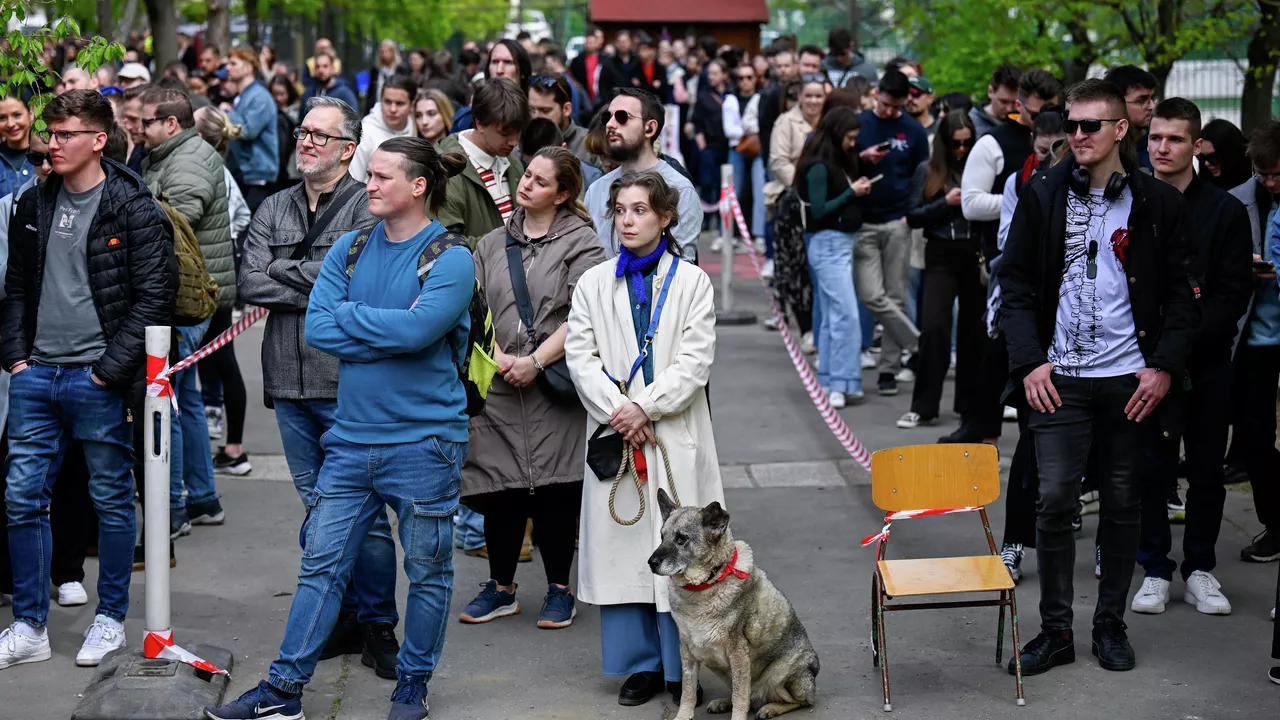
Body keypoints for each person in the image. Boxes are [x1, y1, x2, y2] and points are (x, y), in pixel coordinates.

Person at [206, 137, 472, 720]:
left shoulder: (451, 257)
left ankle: (412, 686)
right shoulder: (349, 249)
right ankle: (282, 692)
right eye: (368, 174)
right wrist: (387, 327)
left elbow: (417, 331)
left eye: (381, 176)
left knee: (428, 572)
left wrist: (362, 322)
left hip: (425, 443)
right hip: (350, 442)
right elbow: (320, 331)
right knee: (320, 566)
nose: (368, 184)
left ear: (419, 186)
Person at [999, 78, 1198, 677]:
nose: (1077, 135)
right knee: (1055, 499)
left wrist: (1162, 367)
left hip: (1127, 382)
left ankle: (1109, 624)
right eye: (1071, 124)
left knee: (1122, 500)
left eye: (1090, 126)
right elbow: (1014, 288)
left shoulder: (1158, 203)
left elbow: (1185, 299)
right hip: (1058, 379)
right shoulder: (1042, 194)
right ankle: (1056, 630)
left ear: (1120, 130)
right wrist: (1030, 360)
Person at [0, 89, 176, 671]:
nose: (51, 142)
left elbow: (155, 297)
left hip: (96, 378)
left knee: (110, 499)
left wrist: (108, 372)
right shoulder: (34, 202)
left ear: (98, 140)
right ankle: (29, 625)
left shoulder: (133, 206)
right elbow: (18, 287)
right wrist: (17, 358)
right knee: (22, 498)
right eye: (49, 132)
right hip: (36, 374)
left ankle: (110, 618)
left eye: (64, 133)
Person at [237, 95, 401, 679]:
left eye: (320, 136)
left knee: (369, 515)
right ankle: (346, 616)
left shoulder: (366, 209)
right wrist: (311, 281)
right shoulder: (273, 207)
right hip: (287, 382)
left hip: (347, 384)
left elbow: (358, 283)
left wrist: (289, 275)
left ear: (348, 150)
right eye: (303, 132)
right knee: (318, 509)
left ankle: (380, 624)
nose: (305, 142)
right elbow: (249, 281)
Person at [564, 170, 722, 708]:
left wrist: (645, 406)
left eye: (639, 210)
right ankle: (640, 666)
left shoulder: (692, 282)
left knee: (682, 544)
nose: (628, 220)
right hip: (620, 431)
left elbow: (695, 360)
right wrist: (620, 412)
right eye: (621, 210)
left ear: (665, 217)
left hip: (672, 429)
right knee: (623, 545)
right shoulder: (592, 282)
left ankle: (686, 666)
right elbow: (580, 359)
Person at [459, 147, 607, 628]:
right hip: (500, 382)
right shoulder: (491, 242)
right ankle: (501, 588)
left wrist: (536, 361)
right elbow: (473, 304)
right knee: (500, 488)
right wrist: (499, 357)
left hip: (555, 383)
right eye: (528, 177)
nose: (527, 185)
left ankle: (560, 591)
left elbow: (586, 313)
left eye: (541, 182)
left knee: (556, 490)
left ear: (563, 194)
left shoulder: (582, 242)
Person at [1129, 98, 1252, 616]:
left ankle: (1201, 567)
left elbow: (1231, 294)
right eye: (1155, 137)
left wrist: (1176, 353)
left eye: (1175, 139)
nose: (1162, 147)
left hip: (1206, 362)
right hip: (1140, 362)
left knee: (1205, 469)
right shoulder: (1130, 201)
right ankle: (1154, 568)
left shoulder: (1223, 209)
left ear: (1197, 145)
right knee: (1149, 469)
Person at [138, 87, 234, 532]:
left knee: (167, 402)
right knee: (187, 399)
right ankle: (203, 498)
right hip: (193, 299)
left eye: (145, 122)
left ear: (170, 124)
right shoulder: (173, 155)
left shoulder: (188, 160)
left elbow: (176, 224)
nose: (138, 130)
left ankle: (173, 507)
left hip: (186, 301)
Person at [956, 69, 1061, 445]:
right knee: (999, 355)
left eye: (1051, 110)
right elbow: (972, 204)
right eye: (1033, 114)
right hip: (1012, 273)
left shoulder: (1077, 152)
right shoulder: (997, 149)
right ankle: (984, 431)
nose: (1043, 119)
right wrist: (1025, 207)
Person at [898, 112, 980, 429]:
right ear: (945, 143)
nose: (961, 148)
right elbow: (913, 215)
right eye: (955, 143)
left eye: (966, 142)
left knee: (974, 331)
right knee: (934, 327)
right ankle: (924, 405)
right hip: (940, 251)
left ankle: (970, 405)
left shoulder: (979, 168)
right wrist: (945, 203)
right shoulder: (928, 169)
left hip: (973, 252)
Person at [853, 68, 926, 397]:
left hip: (897, 222)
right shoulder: (860, 125)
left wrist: (910, 215)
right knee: (871, 296)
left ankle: (889, 369)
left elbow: (921, 175)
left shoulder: (912, 131)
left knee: (896, 296)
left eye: (895, 107)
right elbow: (840, 165)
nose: (889, 111)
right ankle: (918, 344)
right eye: (884, 104)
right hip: (863, 221)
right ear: (875, 94)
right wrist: (861, 159)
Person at [795, 107, 872, 407]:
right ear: (838, 134)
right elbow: (819, 212)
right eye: (850, 138)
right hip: (828, 243)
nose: (853, 144)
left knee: (832, 315)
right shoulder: (818, 166)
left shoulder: (833, 161)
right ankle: (839, 381)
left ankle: (830, 380)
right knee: (845, 314)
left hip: (837, 244)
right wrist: (851, 193)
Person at [1231, 119, 1280, 567]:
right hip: (1255, 339)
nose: (1270, 182)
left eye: (1277, 174)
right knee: (1255, 437)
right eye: (1263, 173)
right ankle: (1275, 524)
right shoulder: (1239, 201)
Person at [585, 89, 703, 261]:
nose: (610, 124)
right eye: (607, 117)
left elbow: (681, 274)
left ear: (650, 128)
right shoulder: (596, 190)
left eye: (622, 117)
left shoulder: (680, 189)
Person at [437, 77, 529, 246]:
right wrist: (510, 243)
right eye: (505, 133)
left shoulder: (513, 163)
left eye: (518, 132)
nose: (514, 141)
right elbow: (447, 244)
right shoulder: (448, 170)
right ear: (479, 124)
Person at [223, 47, 280, 212]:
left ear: (248, 68)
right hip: (246, 175)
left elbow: (247, 130)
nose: (228, 67)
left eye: (233, 63)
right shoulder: (243, 96)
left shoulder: (259, 96)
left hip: (258, 178)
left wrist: (227, 113)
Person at [450, 39, 533, 134]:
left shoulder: (537, 113)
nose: (499, 70)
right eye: (495, 62)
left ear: (522, 71)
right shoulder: (465, 120)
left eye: (508, 62)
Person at [350, 75, 418, 182]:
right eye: (387, 102)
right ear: (380, 101)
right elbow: (353, 181)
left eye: (400, 104)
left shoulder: (416, 128)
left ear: (411, 105)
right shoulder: (364, 133)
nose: (392, 109)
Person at [694, 60, 732, 229]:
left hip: (728, 145)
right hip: (709, 145)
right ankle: (707, 220)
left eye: (715, 73)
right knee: (707, 182)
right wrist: (701, 143)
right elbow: (697, 121)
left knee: (723, 183)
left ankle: (722, 218)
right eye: (710, 73)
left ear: (724, 74)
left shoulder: (732, 94)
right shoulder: (703, 95)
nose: (711, 77)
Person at [528, 75, 594, 167]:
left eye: (545, 110)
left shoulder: (590, 145)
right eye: (532, 110)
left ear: (566, 109)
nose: (536, 117)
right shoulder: (521, 144)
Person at [1103, 65, 1158, 171]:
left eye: (1152, 99)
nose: (1152, 106)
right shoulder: (1100, 147)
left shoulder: (1160, 146)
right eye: (1142, 100)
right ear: (1116, 104)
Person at [570, 27, 623, 111]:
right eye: (587, 42)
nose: (589, 45)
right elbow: (571, 73)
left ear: (597, 43)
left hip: (601, 97)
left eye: (592, 42)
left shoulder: (605, 60)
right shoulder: (577, 60)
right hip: (584, 97)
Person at [970, 64, 1021, 138]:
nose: (1009, 109)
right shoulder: (972, 123)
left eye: (1015, 103)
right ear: (990, 91)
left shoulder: (1025, 122)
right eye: (1003, 102)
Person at [1199, 118, 1250, 191]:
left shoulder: (1257, 179)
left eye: (1213, 157)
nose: (1206, 163)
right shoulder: (1203, 186)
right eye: (1202, 157)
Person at [0, 95, 34, 200]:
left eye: (17, 115)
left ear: (31, 113)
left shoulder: (49, 155)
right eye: (2, 118)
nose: (10, 124)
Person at [366, 39, 409, 115]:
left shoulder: (402, 70)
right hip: (376, 109)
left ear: (393, 53)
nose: (384, 55)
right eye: (382, 52)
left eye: (387, 51)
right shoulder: (375, 70)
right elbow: (371, 92)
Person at [630, 32, 669, 102]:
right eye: (639, 50)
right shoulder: (635, 68)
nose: (641, 53)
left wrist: (643, 86)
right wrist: (652, 86)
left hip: (658, 102)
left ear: (651, 50)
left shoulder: (660, 68)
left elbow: (663, 87)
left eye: (644, 49)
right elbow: (635, 88)